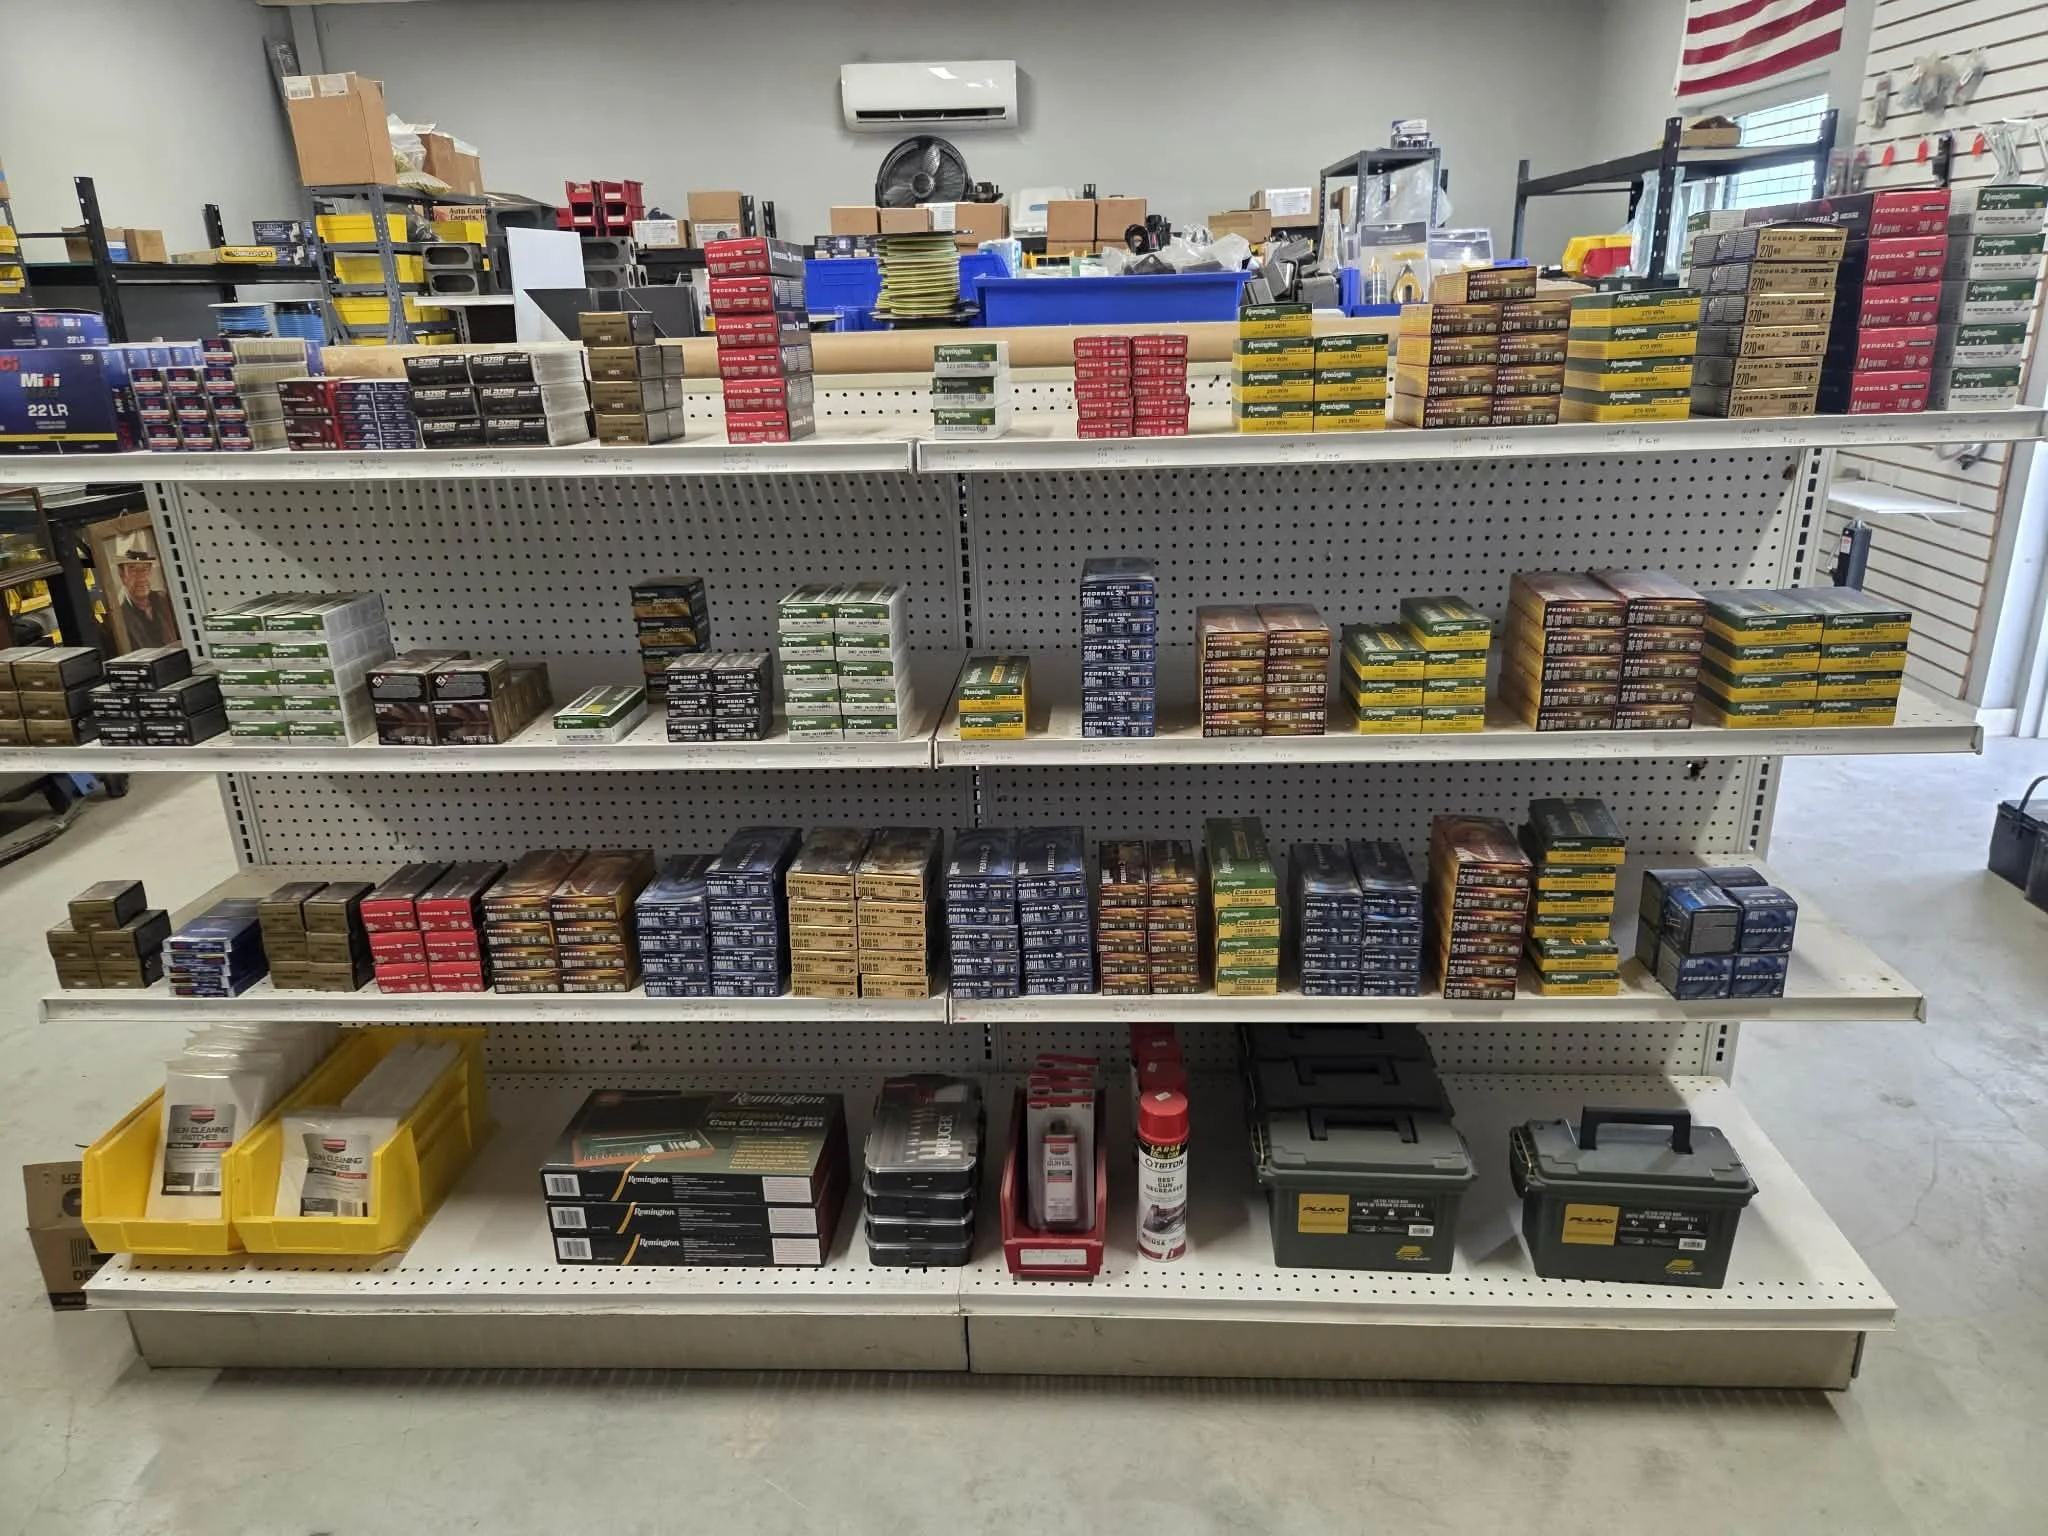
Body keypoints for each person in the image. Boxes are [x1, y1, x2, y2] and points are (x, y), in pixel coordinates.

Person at [113, 532, 177, 651]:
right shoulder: (119, 618)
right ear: (122, 576)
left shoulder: (168, 600)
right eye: (133, 570)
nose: (141, 577)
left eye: (145, 569)